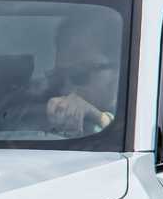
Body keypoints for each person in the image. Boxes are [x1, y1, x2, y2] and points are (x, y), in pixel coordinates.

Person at [32, 8, 120, 136]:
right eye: (59, 78)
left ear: (116, 72)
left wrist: (98, 118)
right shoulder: (42, 99)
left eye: (79, 75)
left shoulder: (144, 112)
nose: (66, 90)